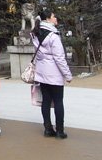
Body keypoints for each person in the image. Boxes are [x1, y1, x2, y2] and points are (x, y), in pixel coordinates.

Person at [31, 9, 72, 139]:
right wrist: (68, 75)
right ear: (48, 19)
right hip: (54, 74)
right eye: (54, 16)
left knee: (46, 101)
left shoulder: (35, 33)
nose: (56, 19)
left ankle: (48, 129)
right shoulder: (53, 36)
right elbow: (59, 58)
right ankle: (60, 131)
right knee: (58, 101)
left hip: (42, 72)